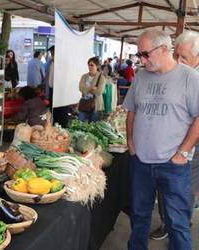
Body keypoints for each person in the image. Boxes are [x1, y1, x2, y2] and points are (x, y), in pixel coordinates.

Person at [123, 29, 199, 250]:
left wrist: (182, 152)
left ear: (164, 49)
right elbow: (131, 111)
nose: (142, 60)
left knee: (177, 223)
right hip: (141, 162)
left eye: (145, 54)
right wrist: (130, 143)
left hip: (173, 166)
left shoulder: (190, 78)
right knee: (138, 217)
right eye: (140, 55)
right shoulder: (140, 77)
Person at [150, 30, 199, 241]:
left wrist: (185, 149)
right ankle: (166, 223)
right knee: (163, 188)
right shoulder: (171, 73)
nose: (178, 61)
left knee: (184, 191)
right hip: (167, 145)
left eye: (184, 57)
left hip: (193, 147)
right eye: (176, 55)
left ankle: (180, 227)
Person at [78, 57, 106, 122]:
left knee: (93, 126)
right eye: (89, 65)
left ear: (97, 66)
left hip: (95, 105)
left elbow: (99, 92)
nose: (90, 67)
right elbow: (80, 88)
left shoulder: (101, 78)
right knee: (80, 123)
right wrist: (92, 88)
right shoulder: (84, 76)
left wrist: (86, 89)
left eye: (92, 65)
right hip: (84, 103)